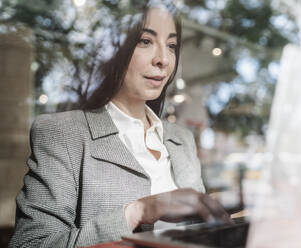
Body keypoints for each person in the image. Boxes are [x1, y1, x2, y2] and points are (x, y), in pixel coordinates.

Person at [9, 1, 230, 247]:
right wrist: (140, 210)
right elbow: (29, 243)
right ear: (113, 48)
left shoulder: (182, 140)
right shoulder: (63, 134)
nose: (163, 59)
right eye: (145, 41)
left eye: (171, 45)